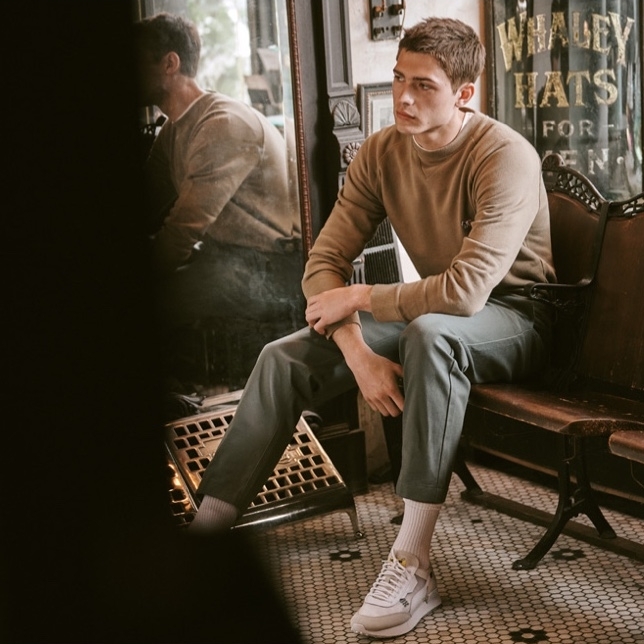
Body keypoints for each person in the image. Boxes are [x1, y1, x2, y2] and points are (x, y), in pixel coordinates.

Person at [188, 16, 556, 639]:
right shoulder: (383, 151)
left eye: (424, 85)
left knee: (430, 336)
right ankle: (206, 536)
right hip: (437, 318)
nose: (404, 97)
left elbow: (466, 292)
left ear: (464, 93)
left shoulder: (504, 156)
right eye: (398, 79)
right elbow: (322, 264)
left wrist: (359, 297)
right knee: (284, 356)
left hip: (521, 317)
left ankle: (412, 565)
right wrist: (357, 353)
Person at [134, 13, 304, 389]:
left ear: (170, 63)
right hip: (228, 259)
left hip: (269, 269)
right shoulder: (174, 129)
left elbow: (181, 234)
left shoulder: (221, 124)